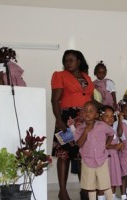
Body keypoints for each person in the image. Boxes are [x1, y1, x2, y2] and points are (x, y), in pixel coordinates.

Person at [51, 49, 95, 200]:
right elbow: (54, 100)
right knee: (64, 154)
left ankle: (84, 189)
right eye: (65, 60)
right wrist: (59, 120)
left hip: (85, 120)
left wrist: (106, 108)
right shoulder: (59, 75)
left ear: (79, 61)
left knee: (83, 154)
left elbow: (91, 100)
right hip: (67, 119)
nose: (67, 63)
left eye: (71, 60)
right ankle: (62, 191)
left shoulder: (87, 77)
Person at [75, 101, 114, 200]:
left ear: (96, 114)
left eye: (91, 111)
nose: (87, 113)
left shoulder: (102, 125)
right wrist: (86, 131)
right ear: (81, 113)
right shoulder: (80, 129)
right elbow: (79, 144)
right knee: (90, 187)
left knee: (105, 185)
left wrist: (107, 144)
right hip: (87, 161)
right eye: (85, 111)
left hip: (102, 160)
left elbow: (111, 133)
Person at [100, 105, 123, 200]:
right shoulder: (101, 130)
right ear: (101, 117)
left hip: (114, 157)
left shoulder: (113, 129)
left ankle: (112, 196)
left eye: (111, 116)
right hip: (105, 158)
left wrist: (120, 145)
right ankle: (101, 197)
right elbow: (103, 145)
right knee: (103, 179)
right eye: (106, 116)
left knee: (114, 177)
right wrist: (115, 146)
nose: (110, 118)